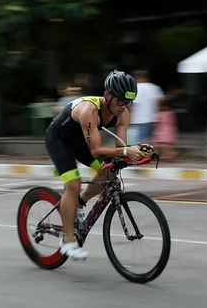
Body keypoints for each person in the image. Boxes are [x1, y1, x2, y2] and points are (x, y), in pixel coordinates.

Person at [45, 69, 152, 261]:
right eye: (120, 101)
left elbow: (121, 149)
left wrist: (138, 151)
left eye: (128, 102)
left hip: (81, 142)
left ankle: (79, 203)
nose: (124, 107)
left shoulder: (122, 113)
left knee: (109, 171)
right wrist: (127, 151)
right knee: (73, 184)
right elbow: (96, 150)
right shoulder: (89, 111)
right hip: (60, 140)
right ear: (108, 95)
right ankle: (67, 242)